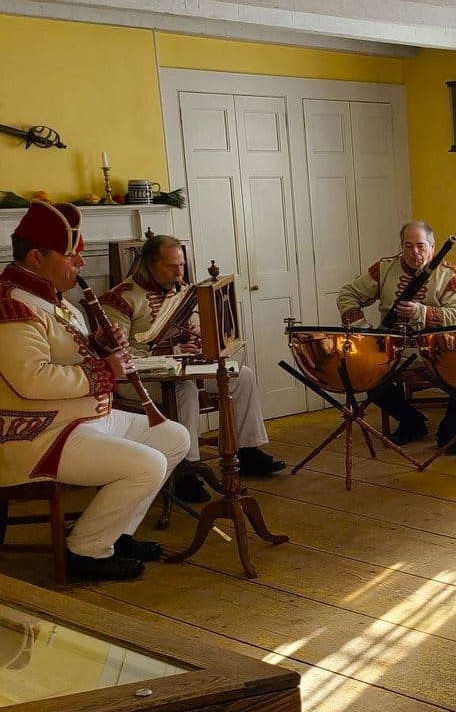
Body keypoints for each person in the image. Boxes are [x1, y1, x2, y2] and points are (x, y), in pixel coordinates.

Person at [0, 201, 189, 581]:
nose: (81, 264)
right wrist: (106, 369)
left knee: (173, 437)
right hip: (39, 433)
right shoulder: (11, 307)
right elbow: (31, 379)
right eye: (72, 256)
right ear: (37, 257)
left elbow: (70, 354)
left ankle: (114, 535)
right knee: (147, 465)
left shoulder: (55, 299)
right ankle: (86, 552)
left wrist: (100, 343)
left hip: (85, 418)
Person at [104, 235, 285, 504]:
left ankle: (247, 451)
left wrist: (199, 339)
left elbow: (195, 327)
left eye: (181, 265)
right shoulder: (120, 299)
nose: (180, 272)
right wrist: (169, 352)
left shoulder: (182, 290)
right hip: (139, 379)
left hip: (184, 366)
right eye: (171, 266)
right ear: (149, 265)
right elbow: (118, 353)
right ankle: (186, 470)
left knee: (241, 375)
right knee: (185, 389)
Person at [336, 221, 456, 453]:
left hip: (437, 348)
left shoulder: (451, 275)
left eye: (420, 246)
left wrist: (421, 312)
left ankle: (450, 433)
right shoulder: (384, 268)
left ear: (432, 246)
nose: (414, 253)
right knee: (367, 374)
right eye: (407, 246)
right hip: (392, 347)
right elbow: (347, 295)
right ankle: (412, 422)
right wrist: (362, 327)